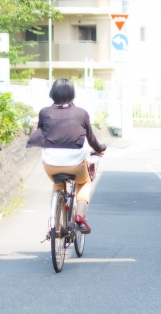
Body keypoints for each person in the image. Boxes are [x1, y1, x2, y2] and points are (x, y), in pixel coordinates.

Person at [26, 78, 106, 234]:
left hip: (50, 163)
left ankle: (54, 225)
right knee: (84, 182)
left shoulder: (44, 112)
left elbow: (41, 132)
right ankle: (79, 217)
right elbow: (91, 139)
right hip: (75, 163)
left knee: (58, 183)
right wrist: (100, 148)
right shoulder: (81, 113)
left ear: (52, 93)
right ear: (72, 94)